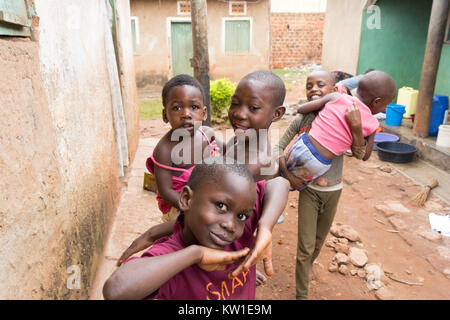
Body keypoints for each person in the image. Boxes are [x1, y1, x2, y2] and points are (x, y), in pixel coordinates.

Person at [116, 70, 290, 285]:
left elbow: (214, 220)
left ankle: (240, 268)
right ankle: (242, 268)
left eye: (253, 108)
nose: (239, 114)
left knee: (198, 276)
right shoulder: (239, 141)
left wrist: (155, 233)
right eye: (235, 104)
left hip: (216, 238)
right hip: (209, 230)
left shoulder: (254, 164)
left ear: (277, 114)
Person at [273, 69, 391, 300]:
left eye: (321, 85)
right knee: (305, 248)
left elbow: (361, 154)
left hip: (333, 191)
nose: (314, 90)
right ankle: (302, 295)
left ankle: (306, 268)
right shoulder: (304, 120)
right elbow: (277, 148)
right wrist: (289, 175)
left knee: (317, 244)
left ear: (334, 89)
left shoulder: (350, 114)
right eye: (309, 86)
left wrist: (357, 127)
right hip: (310, 191)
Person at [103, 159, 284, 300]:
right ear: (187, 199)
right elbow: (116, 290)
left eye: (243, 216)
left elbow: (279, 184)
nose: (231, 225)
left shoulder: (236, 230)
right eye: (221, 206)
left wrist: (265, 227)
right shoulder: (171, 255)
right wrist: (196, 254)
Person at [284, 70, 396, 187]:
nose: (385, 108)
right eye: (386, 105)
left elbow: (301, 109)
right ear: (376, 101)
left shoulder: (337, 97)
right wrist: (357, 130)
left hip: (302, 146)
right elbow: (365, 156)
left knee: (284, 176)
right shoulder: (372, 123)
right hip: (320, 163)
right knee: (299, 182)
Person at [147, 74, 220, 222]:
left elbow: (227, 150)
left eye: (194, 107)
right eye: (177, 108)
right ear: (165, 115)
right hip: (180, 205)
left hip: (208, 196)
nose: (186, 114)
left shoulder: (206, 134)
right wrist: (192, 207)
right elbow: (166, 191)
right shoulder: (165, 150)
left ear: (204, 113)